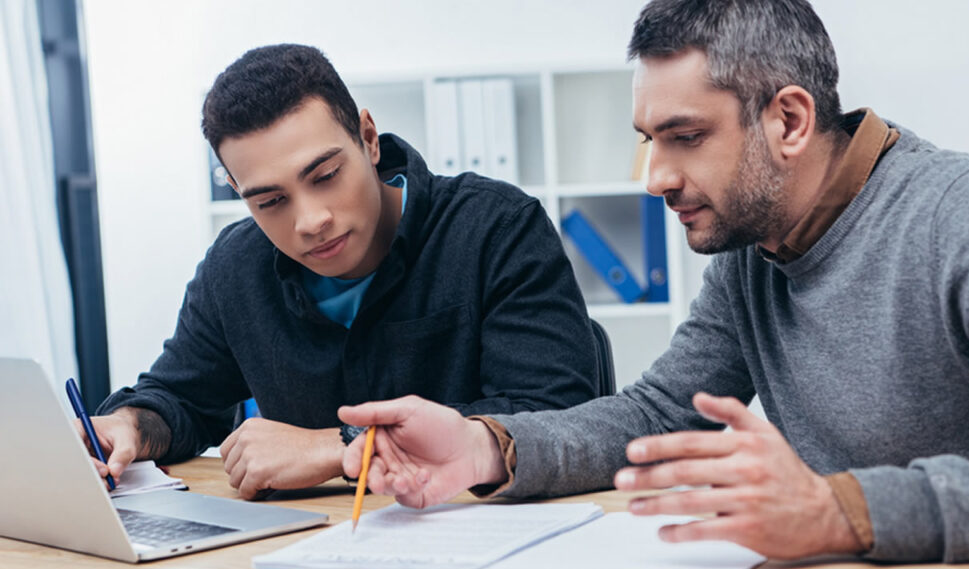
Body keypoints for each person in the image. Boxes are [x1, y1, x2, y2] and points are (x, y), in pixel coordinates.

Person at [337, 0, 969, 564]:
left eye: (685, 137)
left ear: (789, 120)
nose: (655, 178)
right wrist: (483, 445)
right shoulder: (755, 241)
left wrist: (840, 511)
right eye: (648, 139)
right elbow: (660, 413)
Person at [84, 44, 599, 500]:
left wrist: (336, 448)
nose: (311, 221)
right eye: (269, 201)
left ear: (368, 138)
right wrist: (130, 425)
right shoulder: (235, 267)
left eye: (326, 176)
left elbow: (553, 419)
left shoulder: (496, 228)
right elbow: (182, 398)